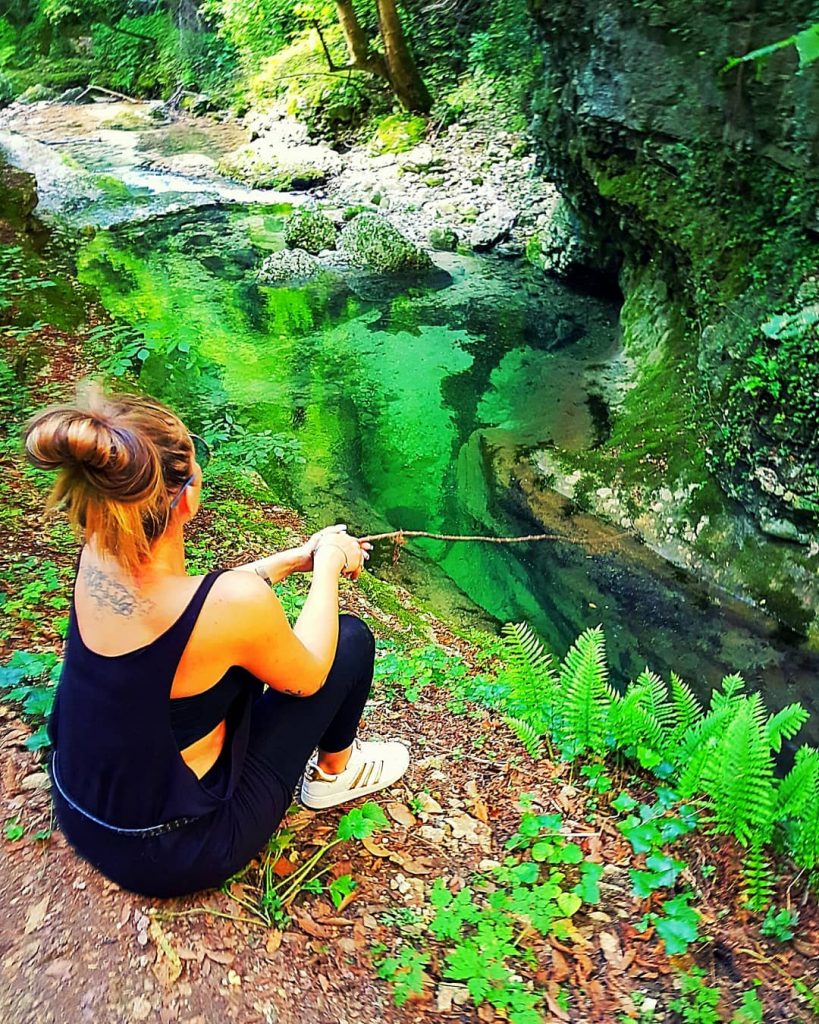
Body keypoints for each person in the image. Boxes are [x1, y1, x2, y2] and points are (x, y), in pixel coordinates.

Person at [23, 385, 409, 898]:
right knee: (351, 641)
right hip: (175, 851)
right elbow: (311, 672)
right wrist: (331, 566)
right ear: (187, 496)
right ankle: (335, 773)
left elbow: (198, 611)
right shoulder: (234, 605)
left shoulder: (98, 551)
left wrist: (293, 560)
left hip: (80, 812)